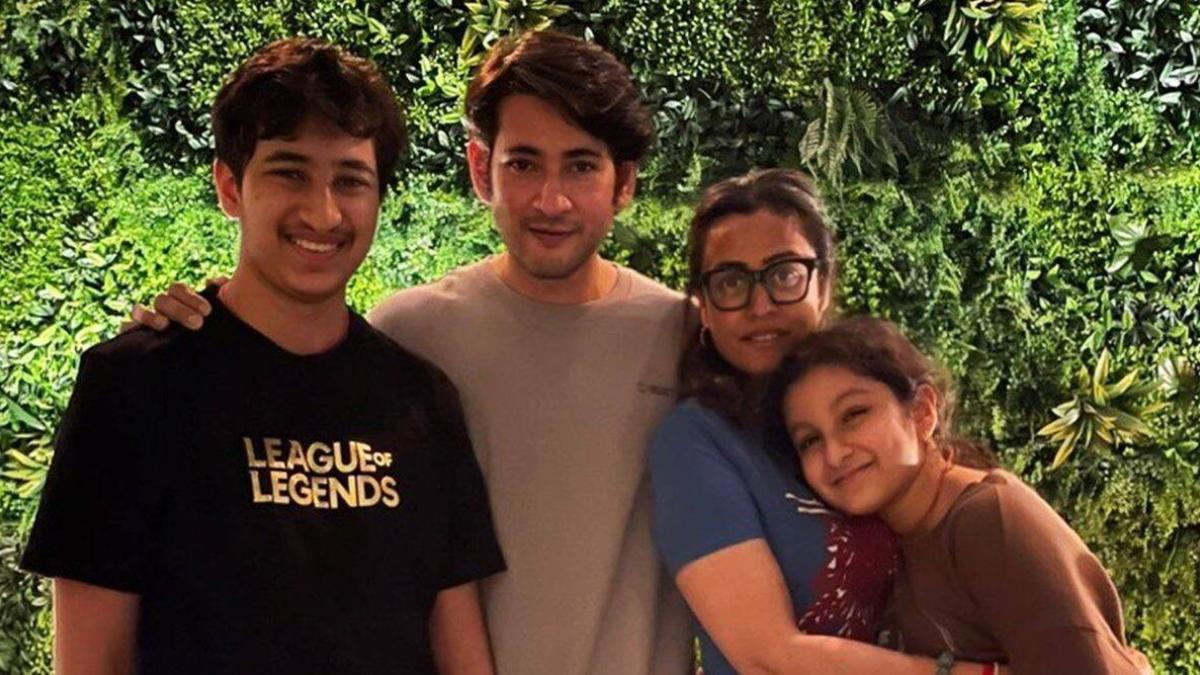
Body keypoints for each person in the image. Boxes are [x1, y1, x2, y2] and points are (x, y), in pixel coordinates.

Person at [123, 30, 690, 675]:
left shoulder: (683, 338)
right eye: (523, 163)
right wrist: (195, 326)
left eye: (582, 166)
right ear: (481, 169)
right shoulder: (410, 334)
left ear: (624, 182)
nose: (550, 199)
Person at [21, 38, 504, 674]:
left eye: (350, 180)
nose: (323, 213)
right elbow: (93, 661)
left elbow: (462, 655)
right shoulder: (134, 386)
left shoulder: (422, 400)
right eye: (289, 172)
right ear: (230, 186)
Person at [649, 168, 1009, 674]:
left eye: (784, 274)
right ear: (704, 308)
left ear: (824, 283)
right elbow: (768, 656)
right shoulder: (695, 444)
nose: (761, 305)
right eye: (730, 282)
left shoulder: (875, 410)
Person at [772, 315, 1147, 674]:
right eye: (810, 440)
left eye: (854, 414)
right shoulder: (890, 542)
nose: (834, 453)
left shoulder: (988, 521)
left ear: (922, 412)